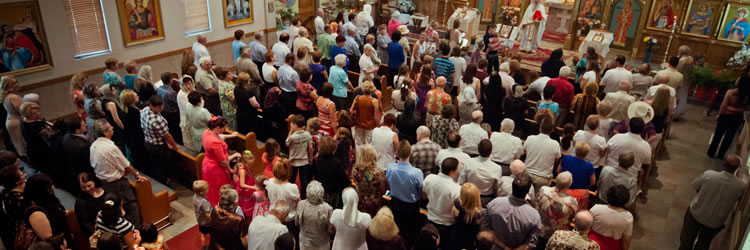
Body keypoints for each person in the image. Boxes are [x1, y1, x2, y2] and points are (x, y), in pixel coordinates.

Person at [680, 154, 744, 250]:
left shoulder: (709, 175)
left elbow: (697, 187)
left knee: (686, 241)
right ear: (738, 168)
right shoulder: (740, 186)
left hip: (696, 213)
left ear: (724, 164)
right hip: (715, 222)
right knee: (703, 245)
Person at [90, 119, 144, 227]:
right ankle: (135, 231)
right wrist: (137, 175)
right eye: (110, 127)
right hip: (117, 183)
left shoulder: (93, 146)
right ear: (105, 132)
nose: (112, 128)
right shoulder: (110, 147)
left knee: (116, 209)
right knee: (131, 206)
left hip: (104, 183)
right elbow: (126, 165)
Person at [482, 173, 542, 249]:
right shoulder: (534, 216)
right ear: (528, 192)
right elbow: (530, 244)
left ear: (512, 187)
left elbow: (485, 229)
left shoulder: (493, 203)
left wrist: (504, 247)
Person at [386, 140, 422, 245]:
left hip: (395, 204)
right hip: (411, 207)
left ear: (396, 153)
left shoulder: (390, 168)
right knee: (410, 233)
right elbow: (420, 190)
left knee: (397, 229)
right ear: (410, 153)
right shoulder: (417, 173)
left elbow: (387, 183)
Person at [423, 157, 461, 248]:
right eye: (457, 169)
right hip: (446, 225)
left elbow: (423, 196)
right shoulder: (456, 188)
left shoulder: (429, 178)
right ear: (452, 171)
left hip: (429, 220)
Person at [141, 96, 179, 184]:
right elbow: (167, 136)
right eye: (158, 107)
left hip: (148, 142)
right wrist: (174, 145)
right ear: (151, 106)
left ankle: (159, 180)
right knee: (163, 166)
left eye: (162, 106)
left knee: (155, 164)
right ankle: (165, 183)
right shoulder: (158, 120)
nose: (161, 108)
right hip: (158, 146)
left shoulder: (145, 110)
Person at [708, 76, 748, 158]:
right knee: (729, 137)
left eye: (737, 79)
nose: (736, 80)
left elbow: (724, 105)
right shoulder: (746, 95)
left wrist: (719, 114)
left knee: (718, 134)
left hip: (726, 116)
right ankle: (721, 154)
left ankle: (711, 152)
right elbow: (745, 107)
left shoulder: (730, 92)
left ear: (739, 82)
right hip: (737, 118)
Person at [536, 172, 578, 247]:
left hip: (539, 230)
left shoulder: (544, 190)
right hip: (557, 237)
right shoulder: (572, 202)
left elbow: (536, 205)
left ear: (556, 180)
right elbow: (571, 218)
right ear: (569, 185)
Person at [201, 117, 236, 205]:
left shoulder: (207, 132)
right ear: (217, 128)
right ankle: (222, 204)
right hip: (216, 168)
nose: (225, 130)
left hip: (207, 162)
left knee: (211, 186)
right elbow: (222, 161)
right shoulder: (214, 142)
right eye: (224, 128)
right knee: (219, 187)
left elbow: (218, 136)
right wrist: (230, 170)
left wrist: (231, 135)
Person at [606, 117, 652, 184]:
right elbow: (646, 163)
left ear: (629, 127)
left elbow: (607, 150)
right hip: (629, 178)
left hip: (609, 173)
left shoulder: (617, 137)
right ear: (642, 129)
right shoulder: (646, 146)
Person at [523, 115, 561, 191]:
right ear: (552, 130)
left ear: (540, 128)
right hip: (543, 178)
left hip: (528, 173)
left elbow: (524, 151)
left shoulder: (530, 138)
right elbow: (557, 159)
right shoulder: (555, 144)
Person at [588, 185, 633, 250]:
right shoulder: (628, 216)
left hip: (592, 242)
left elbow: (586, 227)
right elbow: (626, 239)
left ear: (608, 196)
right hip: (613, 246)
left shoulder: (596, 208)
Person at [294, 180, 333, 250]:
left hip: (305, 242)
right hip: (322, 243)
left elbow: (296, 222)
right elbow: (330, 230)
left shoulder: (301, 204)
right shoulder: (327, 208)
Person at [267, 158, 301, 228]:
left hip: (274, 216)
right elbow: (299, 204)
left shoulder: (270, 182)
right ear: (289, 171)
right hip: (288, 219)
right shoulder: (291, 187)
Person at [60, 116, 91, 191]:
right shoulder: (82, 146)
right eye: (83, 125)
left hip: (73, 170)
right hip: (85, 172)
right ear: (77, 131)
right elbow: (90, 161)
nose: (86, 125)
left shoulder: (66, 136)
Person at [287, 115, 314, 199]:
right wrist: (311, 157)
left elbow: (287, 143)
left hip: (293, 161)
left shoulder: (292, 137)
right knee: (304, 180)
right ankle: (303, 196)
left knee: (292, 179)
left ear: (295, 125)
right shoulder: (307, 134)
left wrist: (291, 130)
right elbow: (310, 147)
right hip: (304, 160)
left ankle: (291, 195)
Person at [19, 102, 49, 172]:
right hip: (40, 152)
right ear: (28, 114)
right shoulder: (35, 126)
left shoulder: (24, 120)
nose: (38, 114)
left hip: (33, 149)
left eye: (38, 111)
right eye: (34, 113)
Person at [74, 173, 106, 237]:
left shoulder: (105, 190)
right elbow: (86, 225)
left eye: (89, 186)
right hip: (99, 233)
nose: (87, 189)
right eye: (83, 187)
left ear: (94, 182)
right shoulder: (81, 202)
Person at [350, 81, 381, 146]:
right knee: (368, 144)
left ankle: (358, 156)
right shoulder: (374, 101)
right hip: (370, 125)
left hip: (359, 123)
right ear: (372, 90)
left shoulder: (358, 98)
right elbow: (376, 117)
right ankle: (367, 156)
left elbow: (351, 110)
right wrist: (378, 125)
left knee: (358, 143)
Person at [1, 76, 24, 157]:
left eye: (17, 82)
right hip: (17, 121)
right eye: (14, 83)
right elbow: (22, 111)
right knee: (22, 145)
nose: (17, 84)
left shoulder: (5, 97)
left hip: (10, 120)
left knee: (17, 144)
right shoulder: (14, 97)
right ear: (9, 86)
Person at [156, 73, 181, 143]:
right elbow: (178, 102)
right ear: (171, 80)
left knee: (170, 129)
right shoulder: (171, 93)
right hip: (173, 114)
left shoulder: (159, 88)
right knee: (176, 131)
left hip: (164, 112)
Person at [192, 180, 212, 249]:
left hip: (200, 219)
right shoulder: (204, 202)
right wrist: (214, 220)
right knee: (214, 233)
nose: (208, 189)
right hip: (207, 222)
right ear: (201, 193)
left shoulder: (195, 196)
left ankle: (204, 247)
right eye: (207, 189)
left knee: (203, 234)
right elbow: (207, 214)